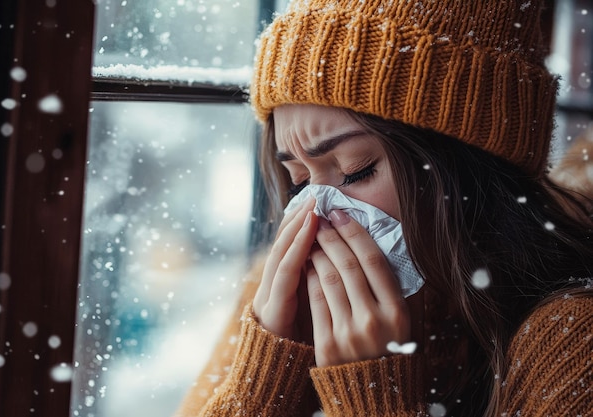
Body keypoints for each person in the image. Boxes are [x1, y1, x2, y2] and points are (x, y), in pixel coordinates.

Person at [175, 0, 593, 416]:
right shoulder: (280, 301)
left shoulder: (572, 340)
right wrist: (265, 379)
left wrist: (370, 389)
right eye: (299, 181)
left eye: (355, 172)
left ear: (464, 167)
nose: (317, 214)